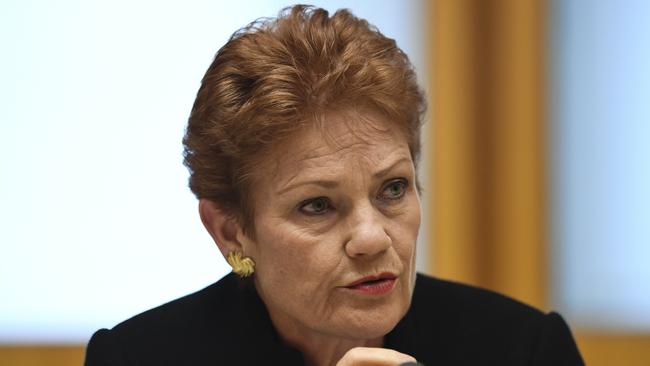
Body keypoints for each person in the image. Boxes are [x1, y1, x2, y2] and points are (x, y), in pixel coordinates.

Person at [84, 5, 584, 366]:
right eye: (318, 205)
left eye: (392, 189)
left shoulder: (523, 350)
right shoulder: (139, 357)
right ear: (231, 232)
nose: (373, 238)